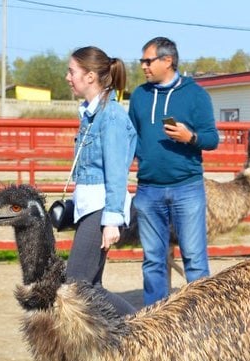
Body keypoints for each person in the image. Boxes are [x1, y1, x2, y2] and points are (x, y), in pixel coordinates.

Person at [128, 36, 219, 304]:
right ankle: (156, 320)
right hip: (148, 190)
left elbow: (212, 139)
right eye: (142, 61)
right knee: (153, 260)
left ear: (167, 61)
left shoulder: (196, 95)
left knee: (194, 260)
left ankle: (203, 315)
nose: (143, 66)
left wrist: (189, 137)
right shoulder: (140, 96)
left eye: (148, 60)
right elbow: (131, 136)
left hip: (186, 189)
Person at [64, 46, 137, 317]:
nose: (68, 77)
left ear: (91, 76)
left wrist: (112, 220)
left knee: (76, 284)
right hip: (89, 206)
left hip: (100, 208)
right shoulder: (91, 114)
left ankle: (139, 328)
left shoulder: (112, 117)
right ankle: (126, 335)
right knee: (89, 285)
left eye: (72, 72)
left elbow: (117, 173)